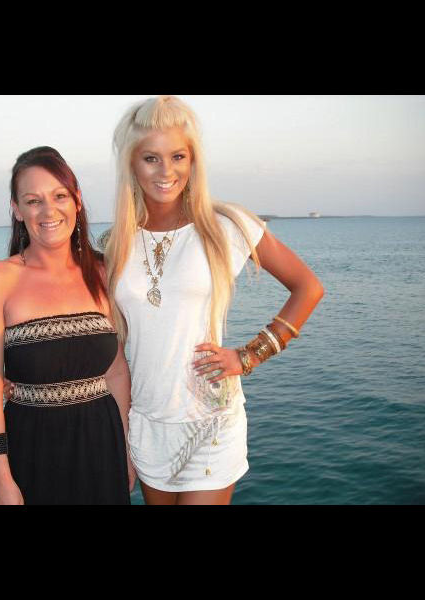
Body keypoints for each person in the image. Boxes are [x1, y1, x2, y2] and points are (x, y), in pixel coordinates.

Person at [100, 95, 325, 505]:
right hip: (147, 421)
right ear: (132, 163)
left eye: (178, 156)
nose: (166, 171)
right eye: (151, 158)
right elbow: (104, 338)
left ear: (193, 161)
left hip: (211, 419)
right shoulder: (114, 244)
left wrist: (250, 355)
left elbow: (307, 287)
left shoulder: (227, 226)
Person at [0, 146, 135, 505]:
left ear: (77, 200)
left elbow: (117, 372)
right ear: (17, 209)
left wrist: (126, 451)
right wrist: (0, 480)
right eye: (33, 201)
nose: (49, 211)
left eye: (60, 196)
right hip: (32, 451)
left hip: (102, 448)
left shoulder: (104, 272)